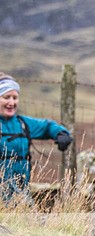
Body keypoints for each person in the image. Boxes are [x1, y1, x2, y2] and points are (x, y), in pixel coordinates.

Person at [0, 73, 73, 202]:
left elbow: (47, 126)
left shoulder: (23, 123)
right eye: (6, 97)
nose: (11, 102)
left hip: (21, 192)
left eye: (15, 97)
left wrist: (61, 133)